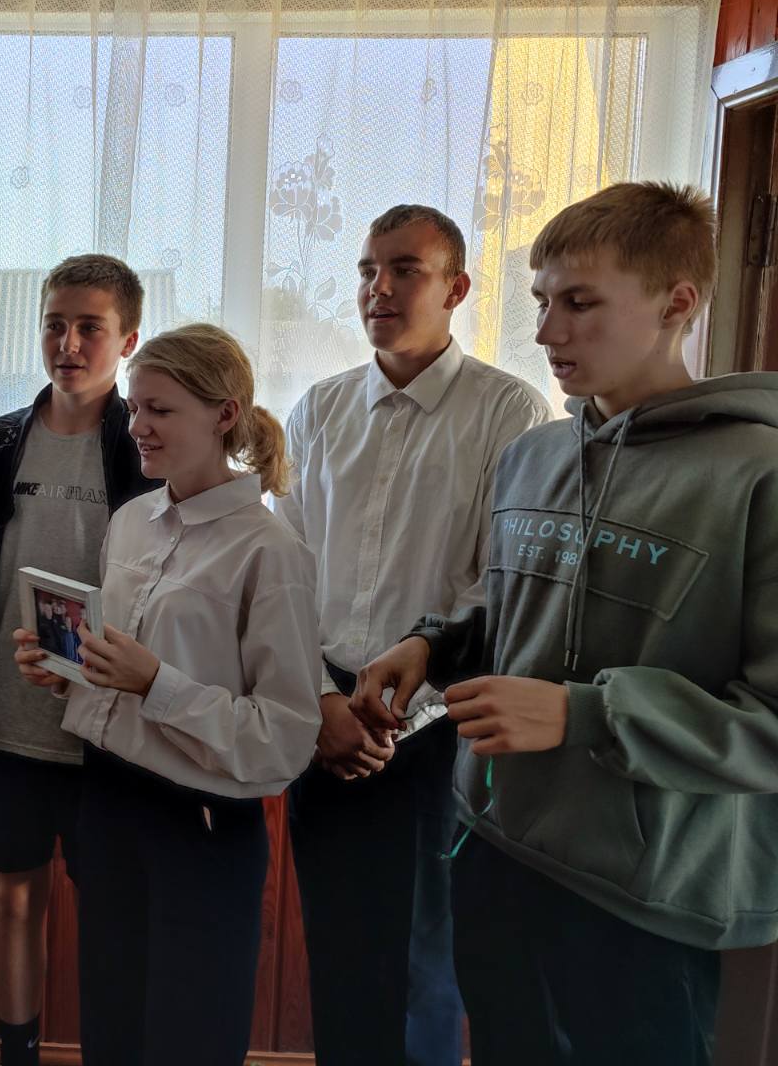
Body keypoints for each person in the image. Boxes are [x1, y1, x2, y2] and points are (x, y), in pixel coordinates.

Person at [353, 182, 778, 1066]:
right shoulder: (534, 454)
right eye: (541, 300)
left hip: (645, 897)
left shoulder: (758, 474)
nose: (547, 332)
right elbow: (513, 608)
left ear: (677, 303)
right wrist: (433, 643)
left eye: (580, 303)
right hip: (495, 850)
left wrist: (585, 712)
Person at [273, 205, 548, 1066]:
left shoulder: (509, 411)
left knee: (427, 965)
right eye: (366, 269)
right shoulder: (319, 411)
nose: (378, 288)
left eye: (404, 270)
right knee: (338, 956)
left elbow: (499, 579)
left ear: (457, 288)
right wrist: (320, 703)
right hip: (323, 724)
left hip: (435, 736)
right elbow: (285, 572)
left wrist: (402, 709)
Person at [17, 323, 321, 1066]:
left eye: (159, 409)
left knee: (189, 1043)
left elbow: (284, 739)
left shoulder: (270, 551)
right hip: (108, 805)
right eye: (134, 408)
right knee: (111, 1036)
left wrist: (157, 684)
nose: (137, 427)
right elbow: (119, 675)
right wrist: (66, 669)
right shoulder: (130, 523)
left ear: (225, 414)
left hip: (202, 829)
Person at [0, 253, 156, 1066]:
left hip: (112, 731)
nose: (69, 344)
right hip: (7, 726)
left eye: (89, 328)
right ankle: (19, 1054)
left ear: (128, 339)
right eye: (55, 325)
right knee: (13, 901)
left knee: (114, 913)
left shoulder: (148, 448)